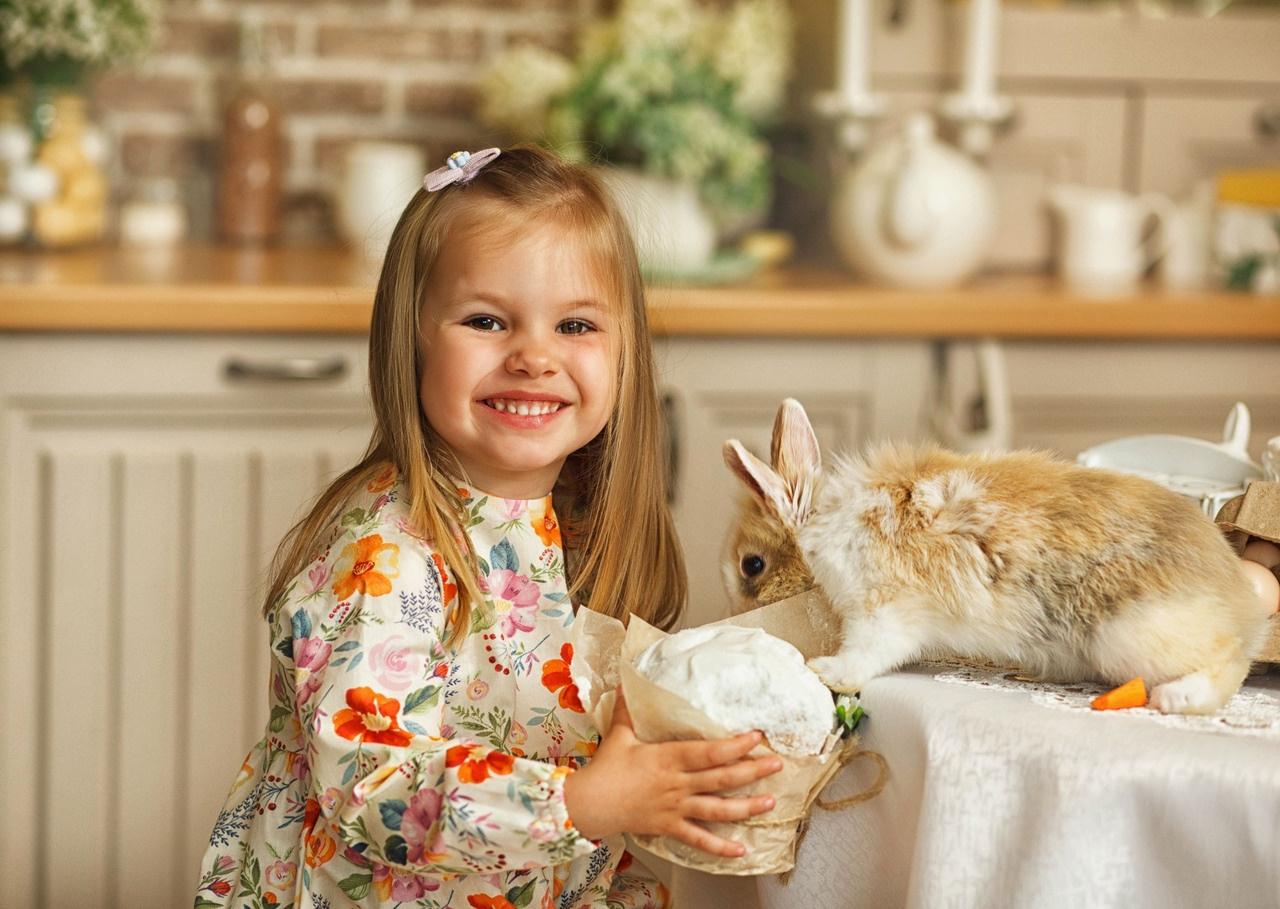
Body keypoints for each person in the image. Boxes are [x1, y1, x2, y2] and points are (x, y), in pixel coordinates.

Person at [194, 145, 783, 909]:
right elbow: (372, 788)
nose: (534, 356)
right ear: (412, 336)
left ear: (625, 351)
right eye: (485, 320)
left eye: (575, 324)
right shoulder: (385, 555)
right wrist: (589, 805)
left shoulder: (566, 526)